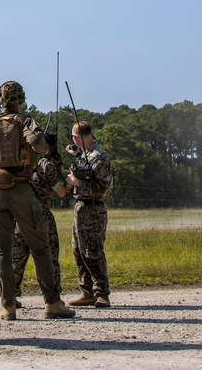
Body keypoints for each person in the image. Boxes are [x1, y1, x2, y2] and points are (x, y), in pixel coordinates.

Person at [0, 81, 75, 320]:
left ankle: (7, 306)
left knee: (2, 251)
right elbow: (39, 144)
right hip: (22, 189)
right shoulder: (26, 121)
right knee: (40, 248)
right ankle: (52, 303)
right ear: (20, 99)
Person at [12, 138, 67, 306]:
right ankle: (53, 299)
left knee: (16, 259)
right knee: (48, 258)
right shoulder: (46, 165)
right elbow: (62, 191)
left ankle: (10, 296)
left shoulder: (19, 162)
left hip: (19, 217)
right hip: (42, 218)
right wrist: (58, 168)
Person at [65, 120, 113, 307]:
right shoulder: (85, 155)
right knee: (79, 252)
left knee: (93, 252)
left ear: (76, 138)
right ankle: (87, 292)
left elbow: (101, 186)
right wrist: (77, 155)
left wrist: (76, 183)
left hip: (93, 209)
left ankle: (102, 293)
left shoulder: (99, 157)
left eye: (73, 138)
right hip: (82, 208)